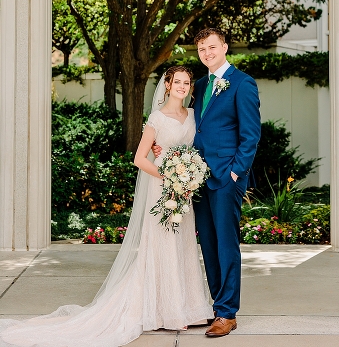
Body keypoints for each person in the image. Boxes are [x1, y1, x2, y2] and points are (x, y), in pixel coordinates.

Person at [0, 66, 213, 347]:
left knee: (184, 243)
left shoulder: (193, 116)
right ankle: (167, 311)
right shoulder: (157, 118)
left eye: (187, 83)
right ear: (168, 85)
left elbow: (193, 148)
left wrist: (188, 176)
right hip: (162, 186)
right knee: (162, 244)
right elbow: (140, 158)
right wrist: (169, 176)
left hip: (183, 188)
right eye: (178, 82)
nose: (183, 87)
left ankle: (190, 306)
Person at [154, 27, 261, 338]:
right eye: (202, 49)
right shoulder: (199, 85)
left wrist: (234, 173)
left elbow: (251, 135)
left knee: (227, 245)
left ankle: (228, 313)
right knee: (209, 245)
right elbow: (187, 126)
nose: (207, 53)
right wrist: (163, 147)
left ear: (224, 47)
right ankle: (217, 307)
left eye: (212, 47)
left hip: (227, 177)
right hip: (198, 179)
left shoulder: (242, 83)